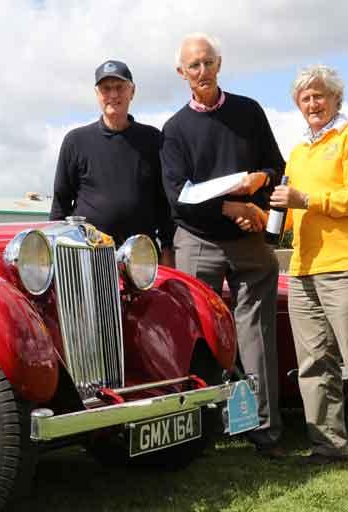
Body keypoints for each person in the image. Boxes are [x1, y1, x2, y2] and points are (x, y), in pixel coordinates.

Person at [160, 33, 285, 457]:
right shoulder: (174, 130)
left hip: (249, 241)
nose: (202, 72)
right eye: (193, 66)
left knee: (256, 334)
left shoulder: (248, 111)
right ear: (182, 73)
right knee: (200, 336)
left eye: (208, 63)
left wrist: (260, 187)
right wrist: (232, 208)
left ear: (220, 63)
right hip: (198, 239)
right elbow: (179, 196)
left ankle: (264, 429)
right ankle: (205, 428)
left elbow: (277, 165)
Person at [269, 65, 348, 473]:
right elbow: (293, 213)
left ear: (337, 98)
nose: (312, 103)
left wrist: (306, 198)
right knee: (314, 364)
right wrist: (257, 218)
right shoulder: (299, 151)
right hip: (303, 269)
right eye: (305, 98)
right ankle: (326, 447)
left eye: (319, 95)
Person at [50, 60, 174, 265]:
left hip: (141, 259)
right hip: (87, 257)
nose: (113, 95)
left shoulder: (153, 140)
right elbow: (60, 204)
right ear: (97, 94)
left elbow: (164, 203)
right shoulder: (76, 141)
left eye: (119, 88)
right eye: (106, 89)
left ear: (132, 92)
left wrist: (168, 248)